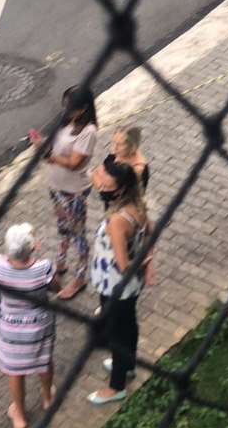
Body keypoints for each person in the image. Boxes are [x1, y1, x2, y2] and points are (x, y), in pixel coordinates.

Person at [87, 159, 153, 405]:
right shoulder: (139, 206)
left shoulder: (117, 220)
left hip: (115, 285)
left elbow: (123, 265)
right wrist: (148, 259)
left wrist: (142, 263)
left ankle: (116, 387)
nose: (101, 187)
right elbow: (151, 232)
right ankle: (128, 365)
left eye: (106, 185)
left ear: (120, 189)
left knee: (116, 333)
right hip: (132, 287)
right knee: (128, 324)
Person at [0, 223, 61, 428]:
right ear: (32, 247)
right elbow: (56, 286)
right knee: (44, 361)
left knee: (15, 371)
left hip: (11, 328)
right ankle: (47, 398)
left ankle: (19, 415)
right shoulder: (43, 268)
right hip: (39, 324)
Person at [30, 86, 98, 301]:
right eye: (65, 104)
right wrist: (42, 147)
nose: (65, 109)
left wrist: (51, 155)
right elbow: (55, 152)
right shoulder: (66, 122)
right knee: (63, 229)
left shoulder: (88, 131)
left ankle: (79, 277)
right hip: (56, 187)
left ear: (84, 108)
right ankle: (60, 262)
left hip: (74, 191)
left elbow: (73, 163)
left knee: (78, 235)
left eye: (70, 106)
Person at [108, 126, 149, 193]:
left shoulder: (137, 169)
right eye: (114, 142)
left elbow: (118, 190)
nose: (114, 148)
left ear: (132, 145)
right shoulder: (119, 153)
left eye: (120, 144)